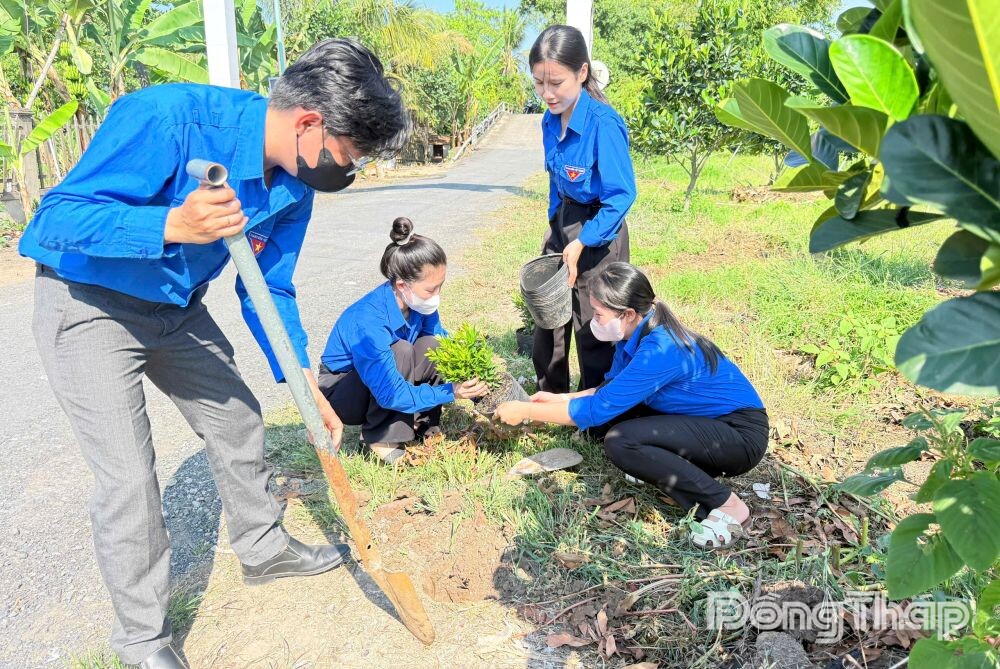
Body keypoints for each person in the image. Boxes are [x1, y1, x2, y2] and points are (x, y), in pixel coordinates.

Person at [19, 39, 409, 669]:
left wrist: (302, 382)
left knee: (238, 420)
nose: (350, 169)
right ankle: (143, 642)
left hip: (176, 309)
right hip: (87, 302)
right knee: (128, 476)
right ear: (309, 123)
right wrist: (170, 226)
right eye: (350, 154)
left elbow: (270, 287)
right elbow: (54, 220)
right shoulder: (167, 119)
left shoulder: (295, 186)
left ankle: (263, 548)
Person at [496, 263, 769, 550]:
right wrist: (562, 398)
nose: (594, 322)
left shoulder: (661, 348)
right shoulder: (635, 335)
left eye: (598, 314)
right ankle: (667, 469)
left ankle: (727, 505)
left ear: (627, 314)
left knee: (621, 441)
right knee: (614, 422)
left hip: (739, 435)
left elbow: (597, 409)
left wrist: (527, 411)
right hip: (709, 425)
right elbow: (611, 389)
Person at [318, 217, 487, 463]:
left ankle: (422, 423)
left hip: (385, 374)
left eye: (440, 286)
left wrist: (477, 385)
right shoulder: (368, 321)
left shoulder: (418, 303)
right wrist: (451, 391)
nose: (437, 295)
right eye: (431, 289)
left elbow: (443, 344)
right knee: (402, 350)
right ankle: (381, 437)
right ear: (401, 284)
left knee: (434, 346)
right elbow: (390, 392)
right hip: (344, 392)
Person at [529, 24, 637, 394]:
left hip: (599, 228)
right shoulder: (548, 120)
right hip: (565, 221)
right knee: (549, 314)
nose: (547, 94)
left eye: (556, 83)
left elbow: (621, 195)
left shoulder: (603, 124)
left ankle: (596, 405)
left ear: (582, 72)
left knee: (595, 322)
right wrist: (555, 227)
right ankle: (550, 398)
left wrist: (582, 241)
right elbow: (555, 181)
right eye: (539, 83)